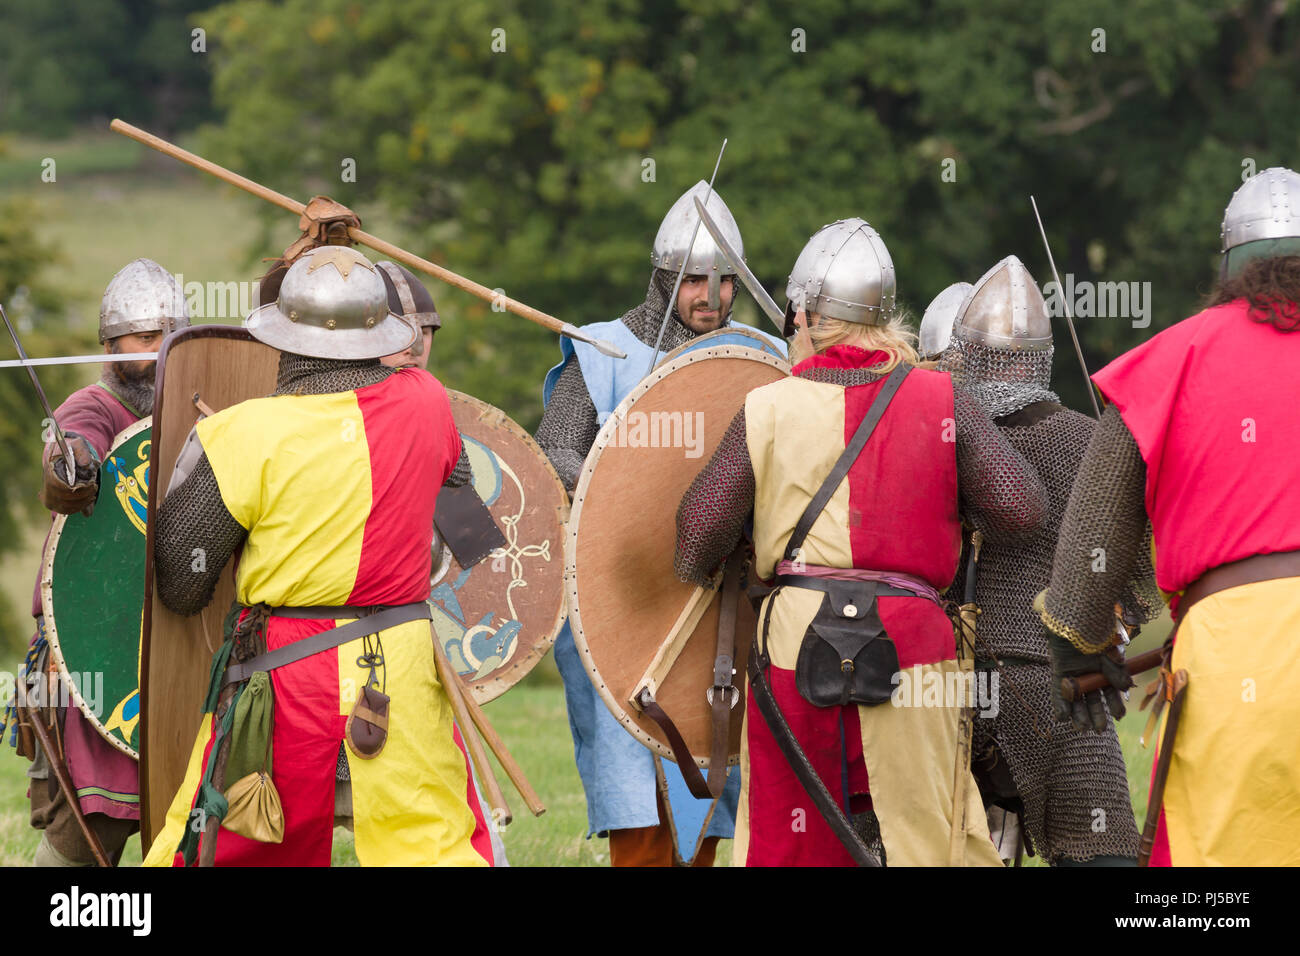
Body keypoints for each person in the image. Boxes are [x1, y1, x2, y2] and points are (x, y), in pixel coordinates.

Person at [675, 219, 1050, 866]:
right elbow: (1020, 509)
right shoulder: (944, 397)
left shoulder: (769, 405)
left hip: (797, 646)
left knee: (790, 841)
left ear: (807, 314)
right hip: (915, 650)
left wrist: (737, 540)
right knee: (927, 840)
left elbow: (696, 537)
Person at [142, 245, 493, 866]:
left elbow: (182, 583)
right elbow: (454, 485)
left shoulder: (241, 433)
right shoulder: (428, 403)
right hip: (399, 667)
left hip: (282, 677)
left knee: (239, 849)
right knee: (432, 848)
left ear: (281, 338)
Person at [1039, 167, 1300, 866]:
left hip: (1236, 661)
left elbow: (1092, 546)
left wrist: (1080, 648)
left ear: (1230, 269)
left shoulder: (1174, 358)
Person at [534, 181, 782, 866]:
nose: (711, 296)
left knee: (707, 773)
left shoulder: (758, 357)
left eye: (724, 282)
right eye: (693, 280)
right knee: (634, 797)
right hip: (623, 594)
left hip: (718, 599)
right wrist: (616, 492)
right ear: (662, 279)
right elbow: (558, 449)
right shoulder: (605, 351)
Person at [923, 257, 1159, 866]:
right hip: (1063, 683)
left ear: (965, 355)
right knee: (1101, 854)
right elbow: (1138, 566)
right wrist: (1116, 628)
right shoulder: (1087, 436)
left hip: (955, 683)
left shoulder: (943, 437)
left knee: (931, 846)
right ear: (1041, 356)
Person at [5, 258, 188, 866]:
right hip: (97, 664)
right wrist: (73, 464)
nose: (157, 352)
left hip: (180, 656)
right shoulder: (96, 406)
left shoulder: (201, 412)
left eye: (167, 337)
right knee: (87, 837)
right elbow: (73, 446)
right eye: (141, 339)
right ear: (111, 347)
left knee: (193, 825)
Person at [377, 261, 441, 370]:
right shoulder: (348, 387)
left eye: (423, 333)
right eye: (397, 334)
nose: (414, 350)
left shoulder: (436, 387)